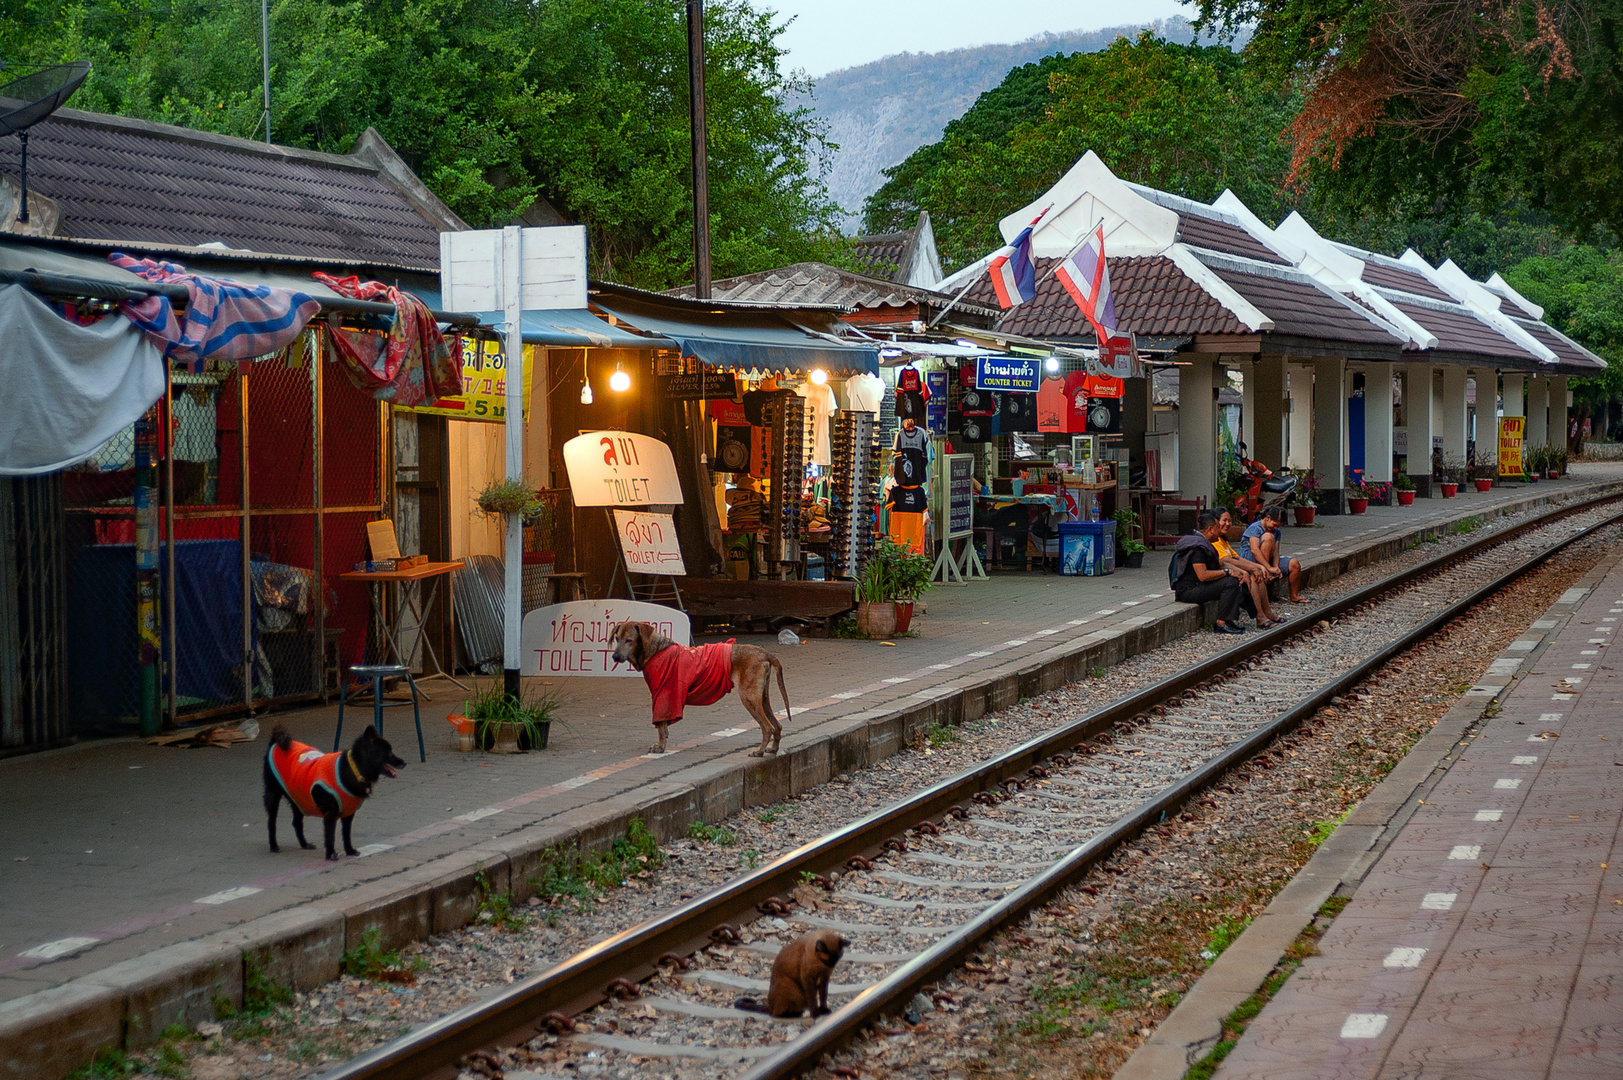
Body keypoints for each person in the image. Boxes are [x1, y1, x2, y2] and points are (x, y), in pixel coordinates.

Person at [1172, 510, 1246, 634]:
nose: (1219, 533)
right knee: (1230, 582)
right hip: (1188, 591)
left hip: (1196, 586)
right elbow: (1203, 575)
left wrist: (1235, 571)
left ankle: (1228, 619)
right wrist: (1227, 572)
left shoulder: (1198, 541)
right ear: (1211, 529)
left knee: (1234, 580)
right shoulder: (1198, 549)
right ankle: (1221, 624)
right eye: (1217, 529)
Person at [1216, 507, 1282, 627]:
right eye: (1224, 521)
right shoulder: (1214, 540)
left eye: (1229, 521)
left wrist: (1258, 567)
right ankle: (1260, 616)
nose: (1227, 524)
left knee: (1258, 574)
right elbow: (1225, 560)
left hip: (1230, 568)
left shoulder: (1222, 540)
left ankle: (1266, 612)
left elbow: (1235, 558)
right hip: (1220, 573)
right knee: (1253, 577)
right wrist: (1250, 569)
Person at [1240, 505, 1306, 604]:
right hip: (1250, 560)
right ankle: (1265, 572)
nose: (1275, 528)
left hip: (1267, 561)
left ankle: (1294, 596)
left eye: (1278, 526)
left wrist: (1275, 567)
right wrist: (1268, 568)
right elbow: (1254, 550)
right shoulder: (1255, 528)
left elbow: (1276, 551)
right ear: (1268, 518)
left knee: (1294, 564)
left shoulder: (1277, 532)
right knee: (1268, 537)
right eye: (1274, 525)